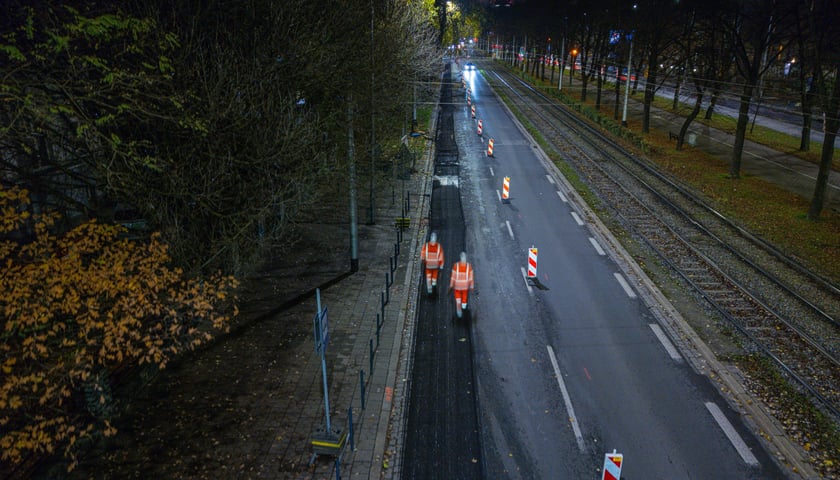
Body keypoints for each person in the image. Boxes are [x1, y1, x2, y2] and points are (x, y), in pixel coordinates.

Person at [448, 251, 474, 318]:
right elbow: (470, 278)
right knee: (464, 297)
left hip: (457, 286)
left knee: (458, 298)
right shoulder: (469, 267)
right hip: (465, 286)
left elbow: (453, 277)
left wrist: (451, 286)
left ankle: (459, 312)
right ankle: (464, 307)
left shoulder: (455, 266)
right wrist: (471, 286)